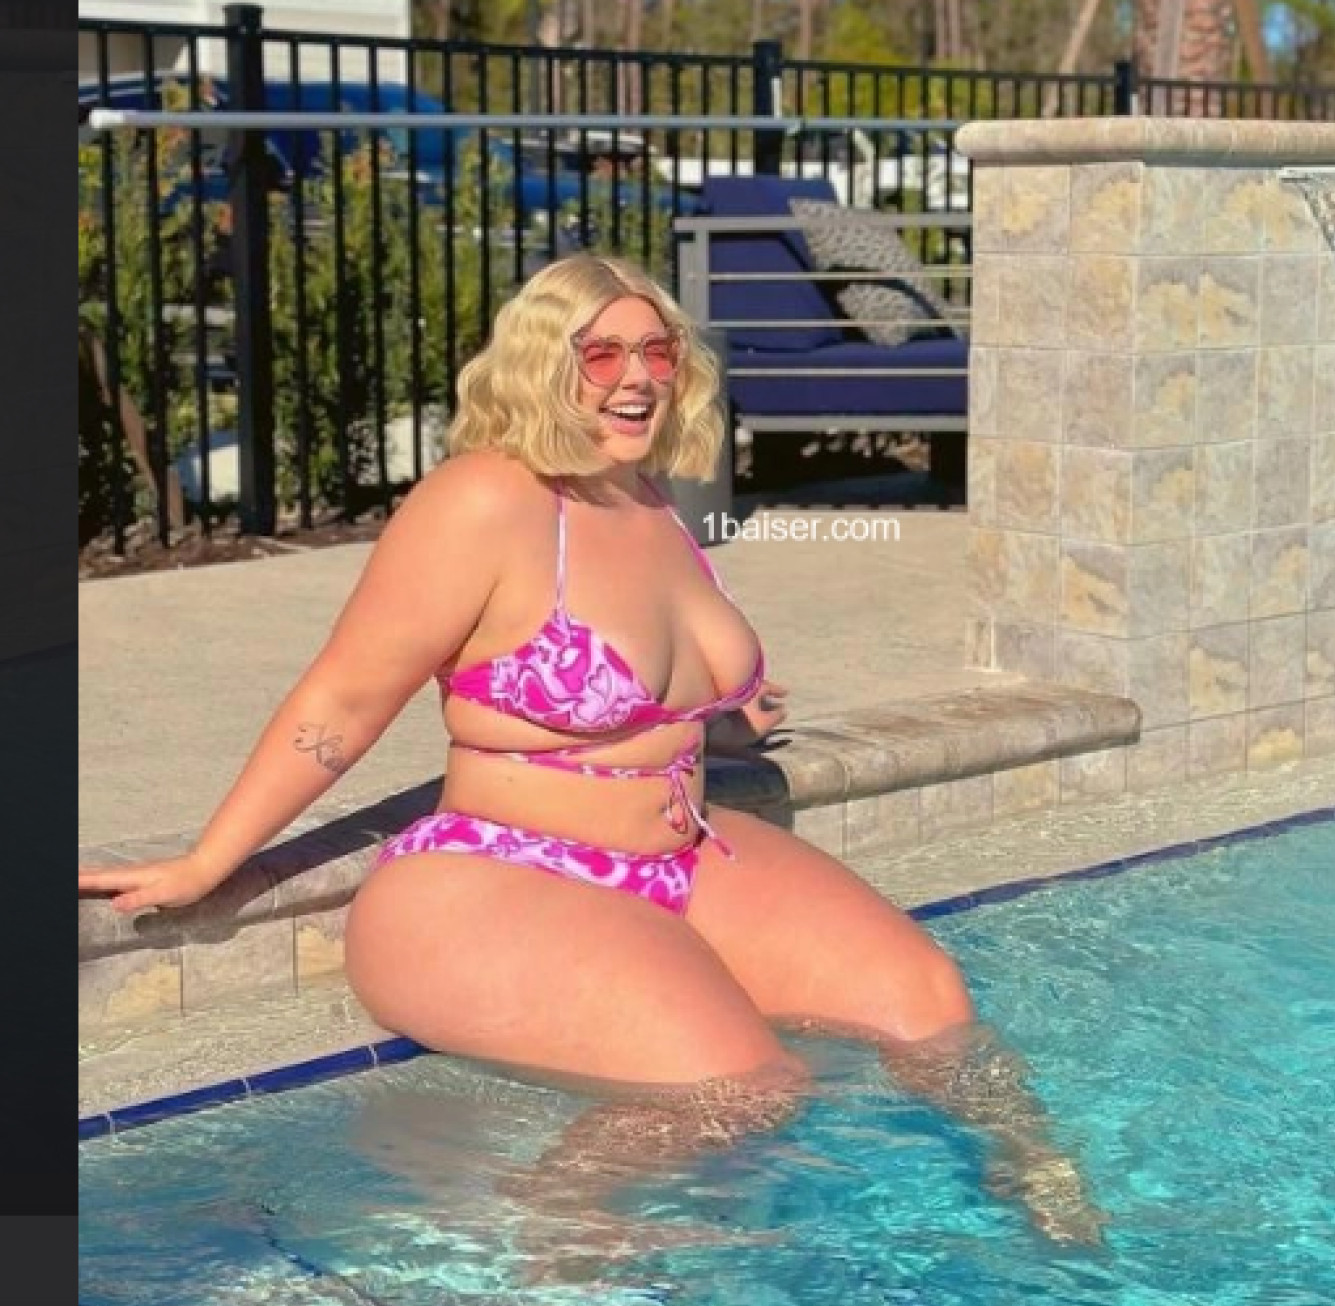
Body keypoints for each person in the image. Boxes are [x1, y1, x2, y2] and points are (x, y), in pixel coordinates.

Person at [79, 253, 1107, 1245]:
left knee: (928, 1006)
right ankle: (543, 1252)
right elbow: (342, 702)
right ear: (541, 363)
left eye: (656, 352)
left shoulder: (644, 495)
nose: (636, 378)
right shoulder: (486, 498)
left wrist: (716, 718)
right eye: (601, 354)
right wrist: (211, 860)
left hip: (677, 857)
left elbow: (632, 698)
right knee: (743, 1087)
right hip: (495, 877)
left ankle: (1040, 1189)